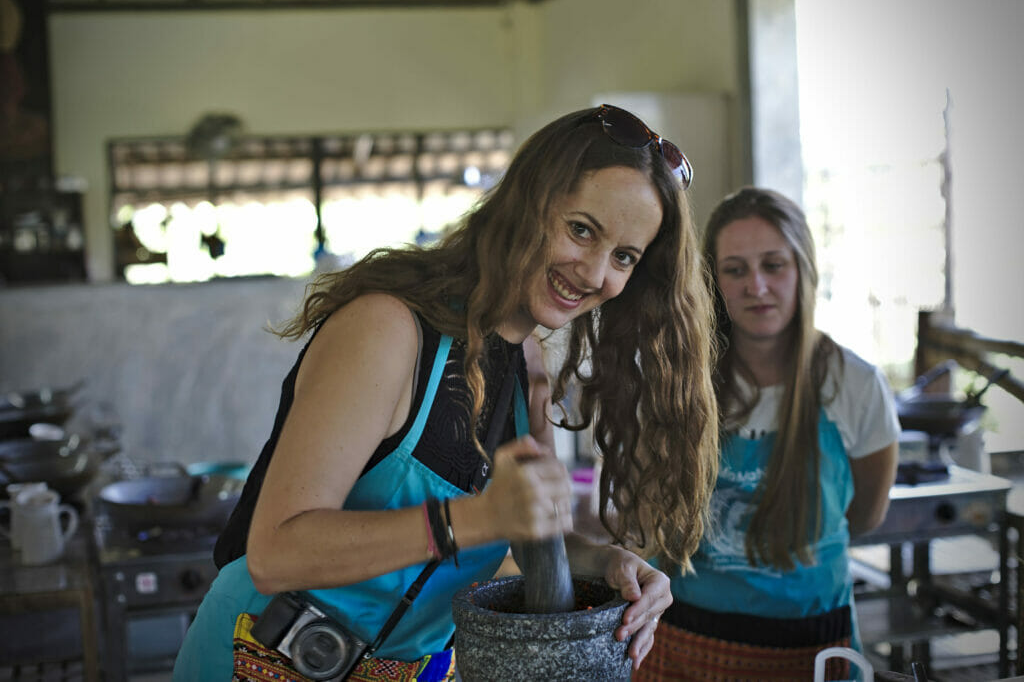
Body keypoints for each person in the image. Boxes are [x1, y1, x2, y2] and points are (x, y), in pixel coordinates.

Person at [173, 104, 720, 681]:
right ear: (525, 203)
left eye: (623, 257)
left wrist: (612, 565)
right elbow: (275, 553)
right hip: (255, 656)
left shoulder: (525, 366)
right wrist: (470, 520)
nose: (593, 273)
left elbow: (530, 531)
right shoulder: (387, 330)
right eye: (581, 230)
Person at [638, 186, 900, 681]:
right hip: (687, 636)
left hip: (811, 642)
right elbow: (655, 510)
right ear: (713, 280)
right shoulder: (680, 381)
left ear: (803, 269)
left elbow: (866, 515)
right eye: (735, 270)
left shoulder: (855, 385)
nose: (756, 285)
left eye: (773, 265)